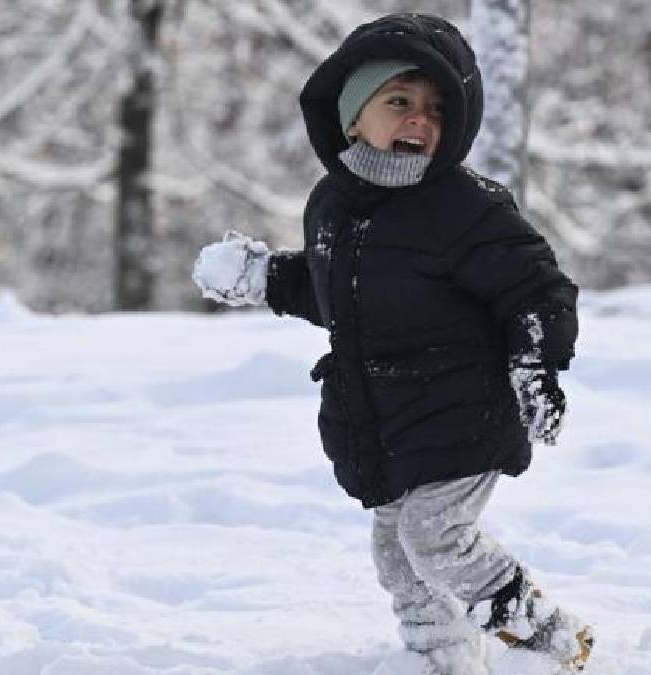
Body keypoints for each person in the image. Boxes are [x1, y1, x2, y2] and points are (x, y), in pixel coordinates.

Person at [191, 12, 592, 675]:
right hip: (390, 420)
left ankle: (551, 637)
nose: (420, 120)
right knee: (396, 551)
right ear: (353, 114)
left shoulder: (466, 208)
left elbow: (536, 288)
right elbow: (339, 297)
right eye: (399, 101)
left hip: (466, 409)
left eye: (437, 109)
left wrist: (534, 362)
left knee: (434, 536)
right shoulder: (333, 205)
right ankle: (443, 659)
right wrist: (265, 277)